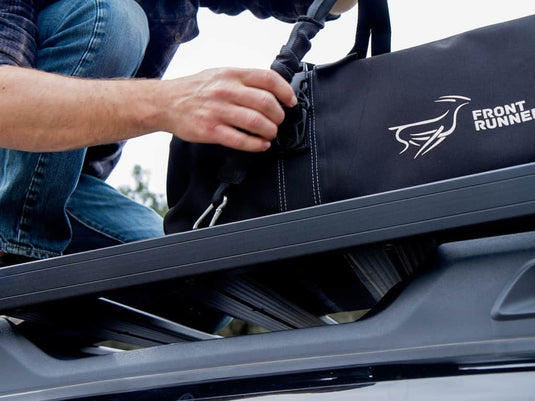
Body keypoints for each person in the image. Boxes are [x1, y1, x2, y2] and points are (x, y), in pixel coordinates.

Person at [0, 0, 356, 267]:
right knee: (110, 18)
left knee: (193, 276)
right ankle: (15, 253)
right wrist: (168, 104)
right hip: (10, 172)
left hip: (69, 191)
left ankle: (34, 349)